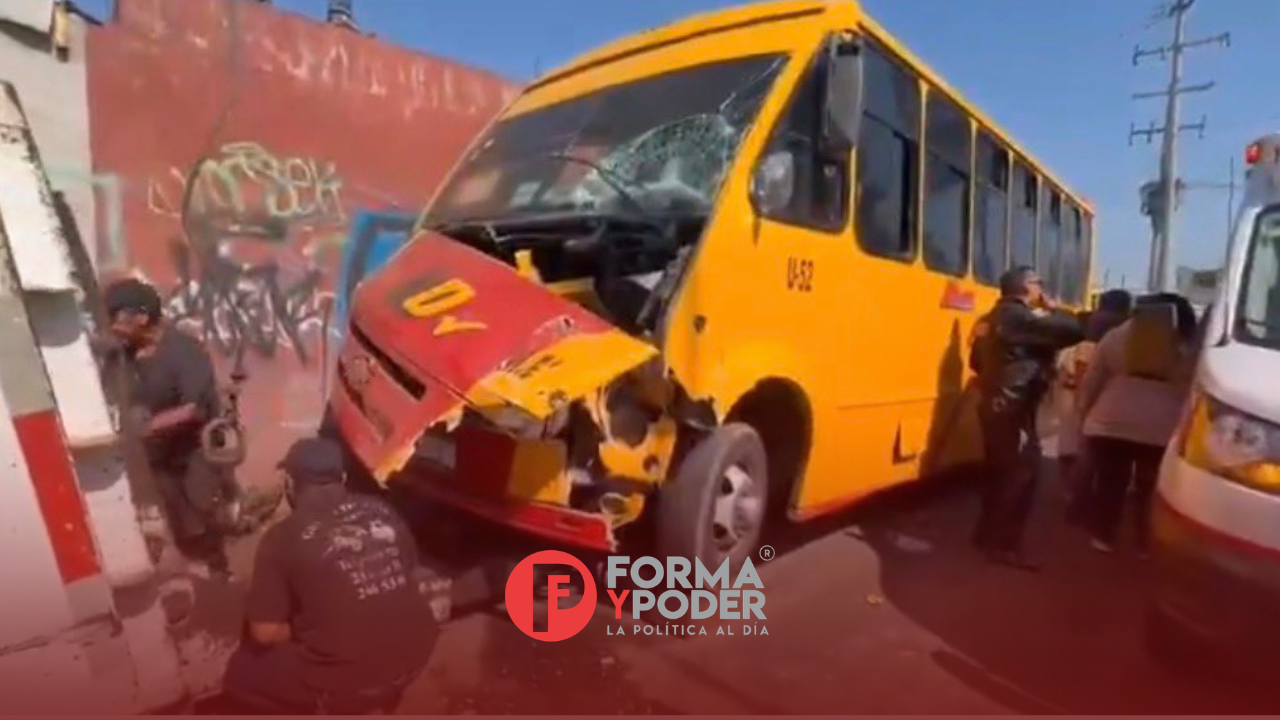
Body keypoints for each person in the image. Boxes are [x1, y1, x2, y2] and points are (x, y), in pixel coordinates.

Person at [223, 437, 438, 714]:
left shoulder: (280, 538)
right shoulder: (384, 510)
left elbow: (264, 633)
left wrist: (303, 625)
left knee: (240, 674)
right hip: (417, 657)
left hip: (350, 684)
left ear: (289, 483)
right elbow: (405, 576)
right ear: (344, 478)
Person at [101, 277, 235, 579]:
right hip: (157, 451)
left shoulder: (182, 349)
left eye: (116, 317)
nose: (111, 325)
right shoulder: (121, 356)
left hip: (197, 445)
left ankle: (219, 564)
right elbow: (109, 395)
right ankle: (193, 561)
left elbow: (192, 409)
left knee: (199, 505)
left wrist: (143, 429)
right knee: (170, 510)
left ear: (141, 317)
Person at [971, 266, 1084, 571]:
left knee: (997, 472)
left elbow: (975, 361)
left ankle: (984, 536)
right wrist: (1053, 308)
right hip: (1014, 407)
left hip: (993, 403)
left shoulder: (988, 319)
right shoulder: (1021, 317)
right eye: (1038, 283)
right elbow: (1073, 330)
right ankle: (1005, 547)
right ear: (1024, 287)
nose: (1041, 289)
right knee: (1022, 475)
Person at [1076, 292, 1198, 557]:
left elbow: (1094, 378)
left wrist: (1084, 411)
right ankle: (1145, 541)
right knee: (1149, 487)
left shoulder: (1118, 336)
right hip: (1161, 428)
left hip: (1111, 421)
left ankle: (1103, 536)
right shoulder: (1189, 344)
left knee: (1111, 482)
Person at [1058, 289, 1134, 525]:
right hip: (1113, 399)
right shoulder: (1128, 329)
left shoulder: (1092, 326)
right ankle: (1094, 505)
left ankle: (1075, 502)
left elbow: (1082, 369)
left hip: (1086, 396)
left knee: (1079, 452)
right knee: (1104, 459)